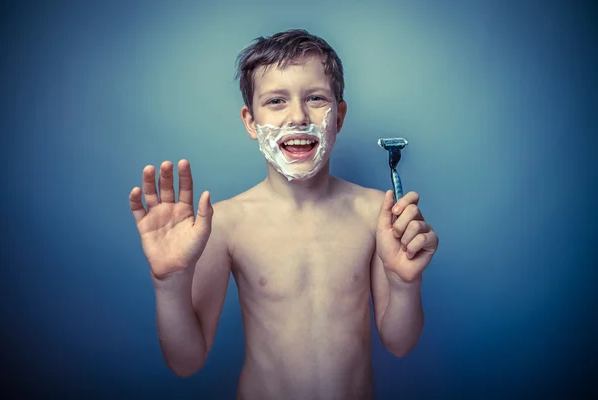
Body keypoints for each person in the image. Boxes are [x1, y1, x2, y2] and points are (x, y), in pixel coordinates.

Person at [129, 29, 439, 400]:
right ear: (250, 121)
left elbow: (400, 343)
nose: (297, 116)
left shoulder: (375, 211)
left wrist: (406, 285)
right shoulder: (225, 223)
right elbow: (185, 362)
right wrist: (170, 283)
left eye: (316, 98)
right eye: (276, 101)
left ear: (338, 116)